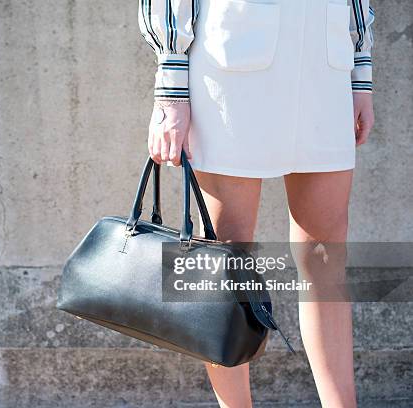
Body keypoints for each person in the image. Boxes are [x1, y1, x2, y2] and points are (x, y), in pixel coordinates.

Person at [139, 0, 375, 407]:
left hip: (325, 64)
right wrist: (172, 84)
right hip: (231, 66)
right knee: (224, 261)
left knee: (325, 256)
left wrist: (360, 71)